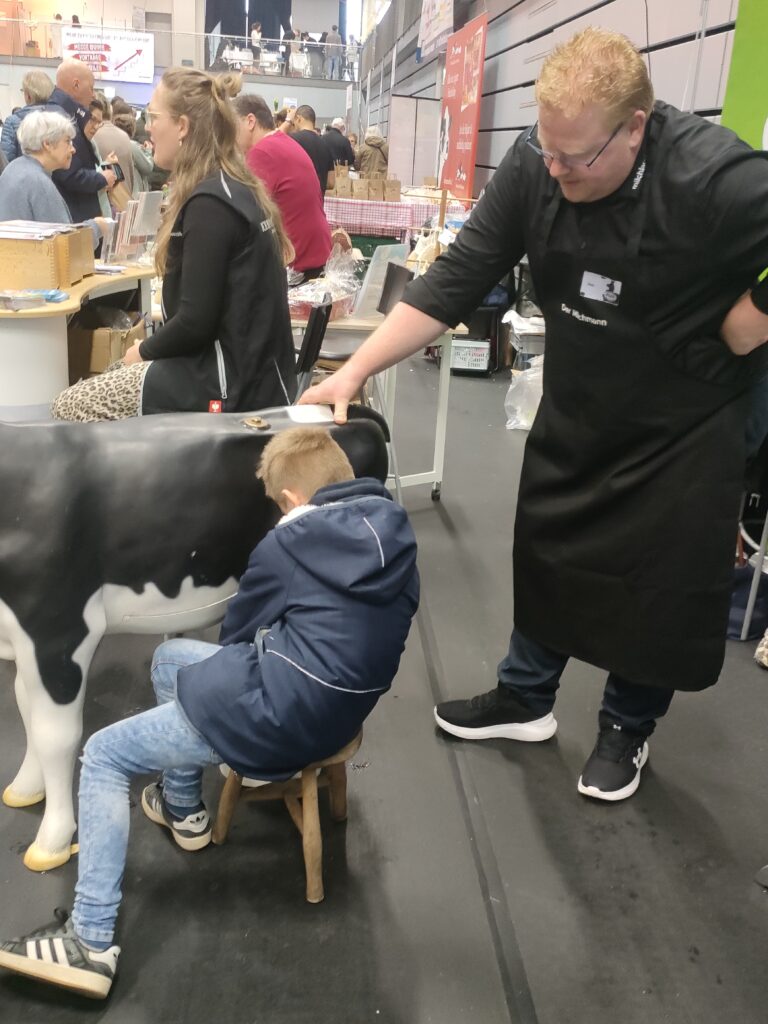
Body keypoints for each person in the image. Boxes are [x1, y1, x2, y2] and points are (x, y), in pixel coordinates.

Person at [299, 27, 768, 803]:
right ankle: (526, 696)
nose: (555, 171)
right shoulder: (539, 162)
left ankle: (627, 727)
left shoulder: (712, 174)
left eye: (575, 158)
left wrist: (755, 315)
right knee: (550, 546)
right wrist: (351, 370)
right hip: (584, 398)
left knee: (657, 582)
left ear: (636, 127)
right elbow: (456, 278)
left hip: (685, 417)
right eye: (545, 150)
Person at [0, 426, 420, 1000]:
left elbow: (239, 636)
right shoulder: (397, 534)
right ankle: (182, 811)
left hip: (277, 715)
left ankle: (89, 943)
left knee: (101, 756)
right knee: (170, 658)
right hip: (342, 712)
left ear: (292, 501)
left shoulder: (287, 544)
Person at [51, 67, 297, 422]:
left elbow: (195, 323)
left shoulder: (210, 204)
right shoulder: (235, 188)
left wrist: (143, 351)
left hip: (228, 387)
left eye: (154, 118)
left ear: (182, 126)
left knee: (68, 407)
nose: (148, 128)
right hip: (254, 378)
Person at [234, 93, 332, 279]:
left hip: (298, 263)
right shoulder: (283, 142)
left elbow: (247, 215)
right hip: (314, 256)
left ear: (250, 121)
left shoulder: (262, 152)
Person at [0, 111, 105, 247]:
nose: (73, 149)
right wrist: (97, 227)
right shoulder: (38, 182)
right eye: (67, 141)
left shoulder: (13, 169)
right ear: (47, 144)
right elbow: (65, 246)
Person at [43, 59, 117, 221]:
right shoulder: (61, 118)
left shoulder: (64, 114)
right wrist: (101, 178)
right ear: (76, 85)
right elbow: (67, 174)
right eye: (90, 88)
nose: (92, 95)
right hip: (74, 216)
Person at [0, 70, 54, 163]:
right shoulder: (60, 119)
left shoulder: (12, 122)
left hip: (21, 175)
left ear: (28, 95)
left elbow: (6, 160)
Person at [281, 104, 334, 195]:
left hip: (296, 199)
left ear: (299, 119)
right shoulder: (325, 145)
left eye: (294, 122)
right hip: (318, 203)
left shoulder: (293, 140)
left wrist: (288, 120)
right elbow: (331, 183)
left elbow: (271, 139)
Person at [90, 98, 134, 194]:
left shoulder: (92, 137)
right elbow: (131, 174)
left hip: (104, 196)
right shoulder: (125, 137)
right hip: (124, 196)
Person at [113, 111, 154, 195]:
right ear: (132, 129)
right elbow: (147, 167)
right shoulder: (132, 145)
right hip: (134, 193)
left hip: (120, 191)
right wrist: (148, 151)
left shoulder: (113, 143)